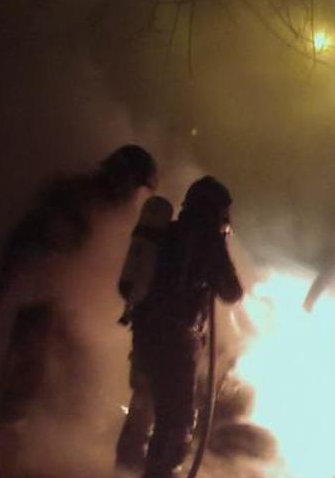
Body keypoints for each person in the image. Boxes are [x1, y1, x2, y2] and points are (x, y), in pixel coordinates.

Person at [0, 144, 157, 421]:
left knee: (71, 379)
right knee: (30, 365)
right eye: (134, 185)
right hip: (43, 295)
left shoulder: (115, 212)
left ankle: (43, 438)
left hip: (74, 308)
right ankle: (5, 432)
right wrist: (4, 274)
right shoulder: (74, 197)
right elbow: (28, 234)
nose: (133, 194)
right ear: (121, 174)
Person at [116, 176, 243, 478]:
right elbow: (232, 291)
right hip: (176, 342)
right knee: (176, 422)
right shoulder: (208, 241)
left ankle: (122, 471)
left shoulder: (168, 232)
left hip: (145, 334)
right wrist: (220, 246)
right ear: (216, 211)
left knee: (142, 408)